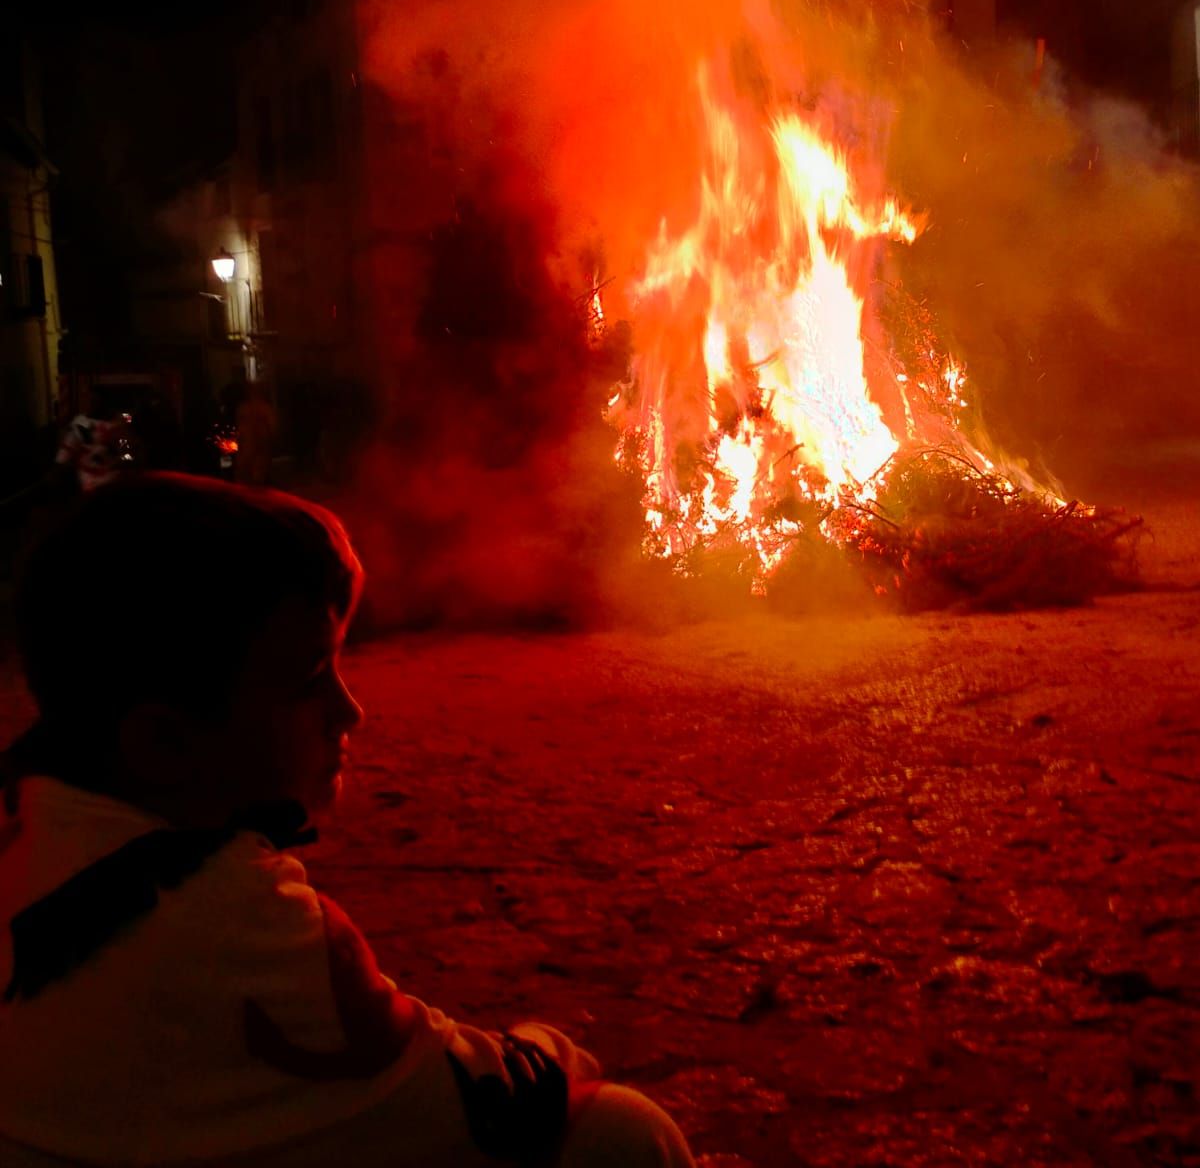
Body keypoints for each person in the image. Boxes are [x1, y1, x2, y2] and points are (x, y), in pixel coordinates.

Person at [0, 476, 694, 1168]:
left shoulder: (28, 815)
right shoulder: (228, 917)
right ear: (165, 742)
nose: (350, 711)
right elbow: (485, 1099)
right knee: (627, 1135)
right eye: (309, 681)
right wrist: (548, 1044)